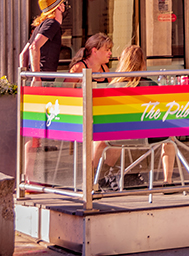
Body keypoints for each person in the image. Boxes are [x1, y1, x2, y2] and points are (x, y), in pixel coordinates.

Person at [99, 45, 177, 190]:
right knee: (169, 139)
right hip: (145, 137)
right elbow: (162, 113)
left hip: (118, 138)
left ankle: (100, 176)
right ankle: (168, 181)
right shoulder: (150, 85)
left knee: (104, 137)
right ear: (142, 63)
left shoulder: (112, 87)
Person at [21, 0, 68, 185]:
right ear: (58, 7)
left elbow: (23, 53)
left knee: (36, 131)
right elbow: (33, 49)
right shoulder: (52, 24)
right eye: (63, 4)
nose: (65, 7)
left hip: (38, 80)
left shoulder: (40, 26)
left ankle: (29, 175)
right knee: (35, 131)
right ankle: (29, 176)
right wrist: (37, 77)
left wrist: (26, 74)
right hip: (43, 80)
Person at [69, 33, 114, 173]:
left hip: (101, 114)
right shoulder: (79, 68)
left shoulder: (104, 69)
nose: (110, 53)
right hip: (83, 116)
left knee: (120, 132)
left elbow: (111, 91)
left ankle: (104, 172)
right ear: (95, 51)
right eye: (107, 50)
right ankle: (92, 173)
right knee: (101, 135)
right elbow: (65, 94)